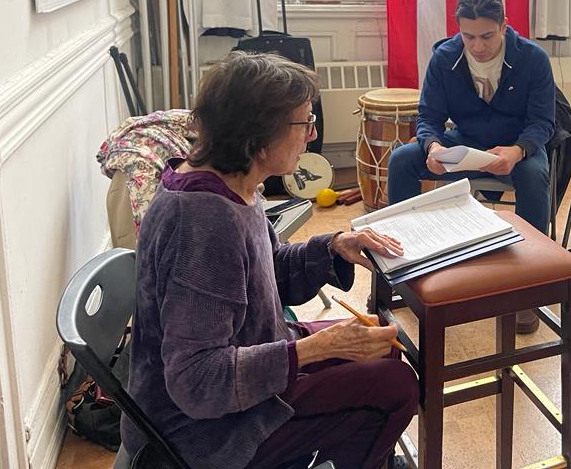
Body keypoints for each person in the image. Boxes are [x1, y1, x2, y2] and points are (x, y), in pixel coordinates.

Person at [122, 52, 418, 469]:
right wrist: (313, 350)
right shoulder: (204, 220)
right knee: (395, 386)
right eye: (305, 123)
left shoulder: (234, 183)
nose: (312, 137)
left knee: (381, 352)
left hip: (244, 367)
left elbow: (264, 273)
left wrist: (333, 246)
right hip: (200, 432)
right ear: (258, 137)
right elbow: (197, 381)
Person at [387, 0, 555, 332]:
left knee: (535, 177)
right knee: (403, 160)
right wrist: (433, 147)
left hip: (516, 148)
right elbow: (428, 116)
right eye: (468, 36)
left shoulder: (533, 59)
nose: (477, 46)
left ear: (505, 25)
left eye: (487, 36)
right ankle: (403, 269)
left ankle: (530, 290)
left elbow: (543, 123)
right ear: (459, 31)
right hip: (464, 142)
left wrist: (518, 150)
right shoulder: (444, 58)